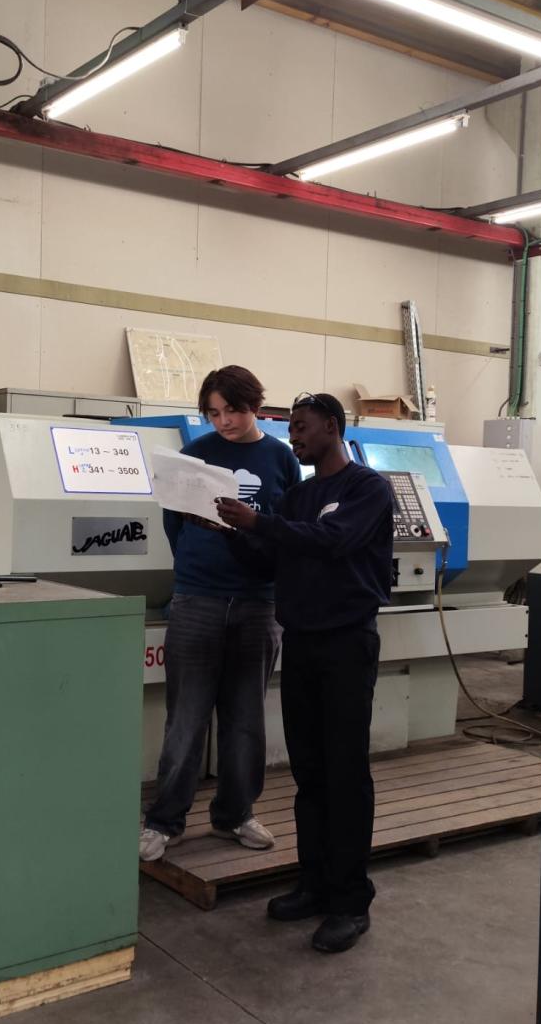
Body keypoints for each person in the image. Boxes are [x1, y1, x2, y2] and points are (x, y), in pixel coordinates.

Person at [216, 392, 394, 954]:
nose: (293, 437)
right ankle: (314, 884)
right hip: (302, 643)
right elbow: (270, 560)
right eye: (290, 429)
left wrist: (261, 523)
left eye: (301, 427)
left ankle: (350, 901)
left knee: (345, 772)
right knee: (310, 772)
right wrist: (232, 532)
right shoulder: (297, 496)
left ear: (333, 428)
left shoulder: (367, 489)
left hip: (347, 644)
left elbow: (334, 541)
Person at [139, 365, 301, 864]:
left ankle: (235, 814)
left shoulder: (281, 458)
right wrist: (198, 565)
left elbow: (287, 527)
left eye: (232, 410)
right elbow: (174, 523)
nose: (224, 421)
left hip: (258, 602)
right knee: (186, 718)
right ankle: (164, 820)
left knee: (246, 718)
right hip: (197, 599)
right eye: (213, 413)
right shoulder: (194, 454)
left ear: (255, 406)